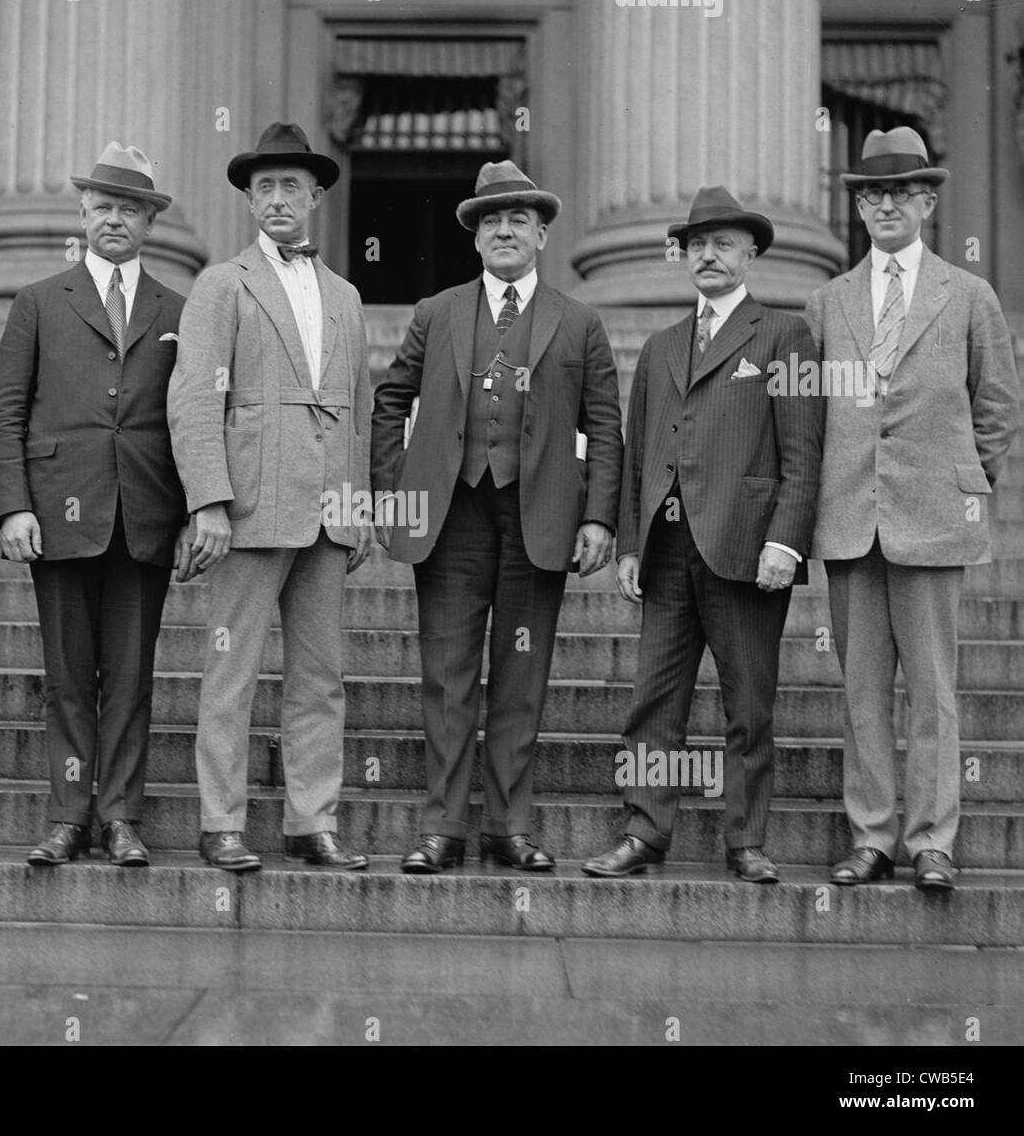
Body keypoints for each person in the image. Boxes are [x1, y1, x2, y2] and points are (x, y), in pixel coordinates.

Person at [371, 160, 623, 874]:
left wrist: (599, 518)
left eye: (518, 219)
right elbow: (390, 403)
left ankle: (510, 825)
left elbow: (606, 426)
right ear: (475, 237)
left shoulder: (579, 322)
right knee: (446, 676)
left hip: (538, 517)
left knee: (521, 672)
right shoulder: (437, 312)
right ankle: (442, 827)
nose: (504, 230)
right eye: (490, 220)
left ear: (542, 233)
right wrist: (394, 494)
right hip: (452, 517)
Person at [581, 186, 823, 884]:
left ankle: (745, 838)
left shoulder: (785, 336)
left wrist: (787, 540)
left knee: (749, 700)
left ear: (750, 252)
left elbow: (803, 452)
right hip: (668, 547)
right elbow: (633, 451)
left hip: (747, 549)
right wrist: (630, 543)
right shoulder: (659, 347)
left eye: (723, 243)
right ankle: (643, 830)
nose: (708, 255)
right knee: (653, 699)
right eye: (697, 244)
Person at [806, 127, 1019, 890]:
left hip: (934, 517)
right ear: (858, 207)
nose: (885, 203)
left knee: (932, 688)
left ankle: (933, 839)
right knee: (861, 691)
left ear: (928, 201)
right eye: (871, 192)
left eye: (900, 191)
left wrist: (962, 480)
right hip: (851, 518)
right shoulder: (827, 300)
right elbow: (809, 414)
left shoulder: (968, 295)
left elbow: (997, 406)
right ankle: (872, 836)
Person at [169, 123, 372, 872]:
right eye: (265, 187)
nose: (278, 199)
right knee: (232, 670)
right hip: (250, 508)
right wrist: (208, 501)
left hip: (327, 511)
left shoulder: (346, 295)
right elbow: (193, 397)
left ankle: (310, 820)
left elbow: (357, 402)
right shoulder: (222, 283)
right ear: (250, 199)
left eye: (291, 186)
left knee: (321, 678)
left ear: (315, 195)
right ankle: (221, 821)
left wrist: (360, 509)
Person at [0, 142, 190, 867]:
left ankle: (122, 818)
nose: (114, 218)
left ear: (149, 221)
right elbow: (5, 411)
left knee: (132, 679)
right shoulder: (40, 301)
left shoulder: (177, 308)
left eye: (129, 207)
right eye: (102, 205)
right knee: (68, 677)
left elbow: (191, 418)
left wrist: (199, 511)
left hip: (145, 515)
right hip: (58, 510)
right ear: (82, 212)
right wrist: (12, 505)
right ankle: (69, 815)